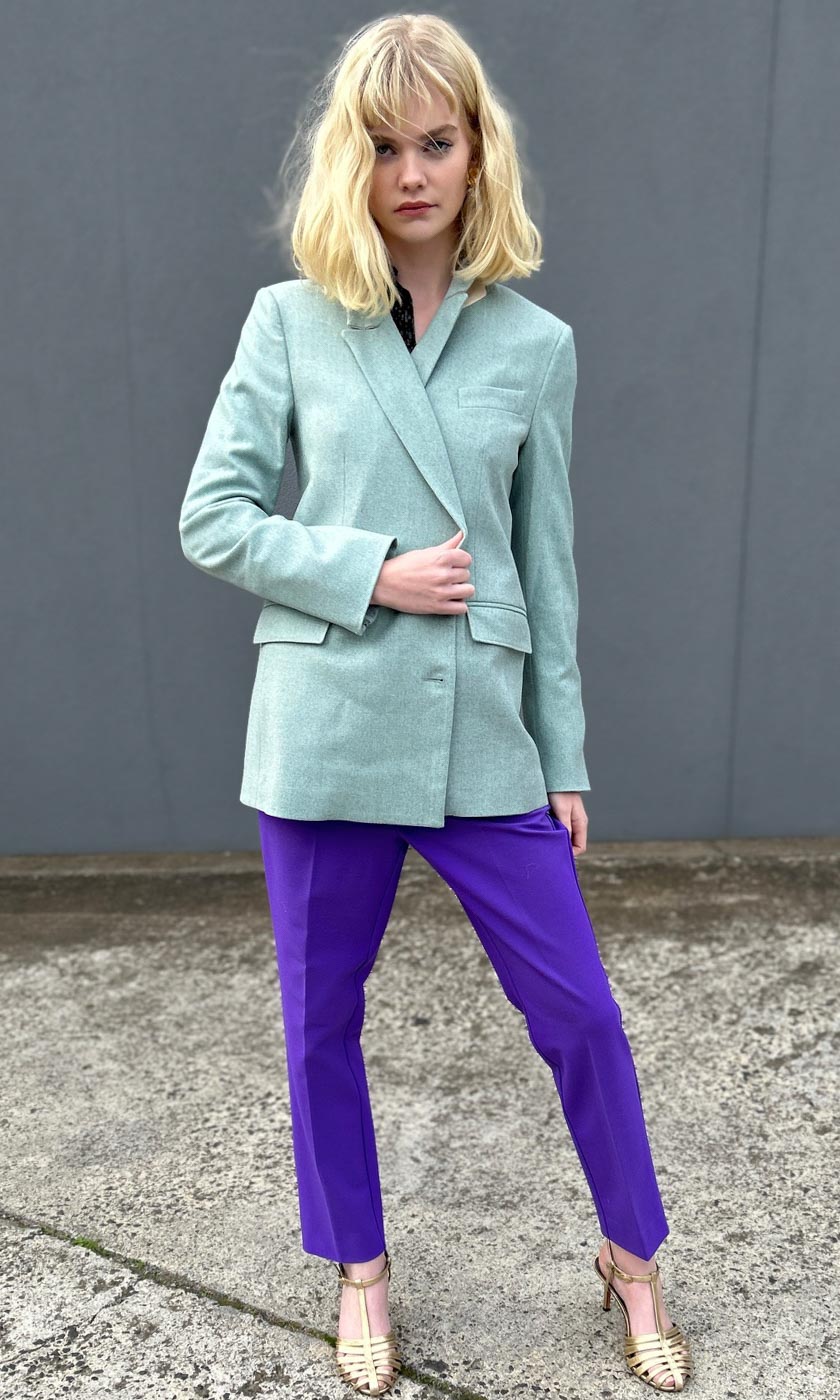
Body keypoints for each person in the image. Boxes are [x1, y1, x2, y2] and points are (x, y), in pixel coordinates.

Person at [178, 13, 692, 1396]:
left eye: (437, 142)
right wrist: (373, 574)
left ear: (477, 153)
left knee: (580, 1012)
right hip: (327, 729)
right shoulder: (291, 321)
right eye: (384, 145)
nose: (411, 172)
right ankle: (361, 1271)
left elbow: (549, 570)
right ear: (350, 160)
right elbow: (214, 516)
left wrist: (565, 758)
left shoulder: (536, 344)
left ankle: (632, 1258)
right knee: (319, 1023)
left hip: (482, 733)